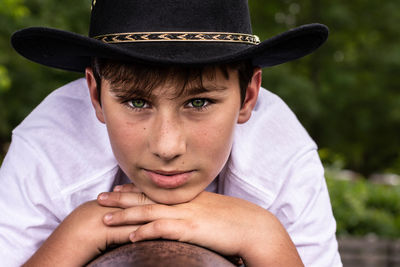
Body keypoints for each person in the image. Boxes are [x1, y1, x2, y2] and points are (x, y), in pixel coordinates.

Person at [0, 0, 342, 266]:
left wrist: (265, 237)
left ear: (248, 96)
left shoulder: (282, 155)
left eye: (199, 102)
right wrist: (76, 235)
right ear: (95, 95)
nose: (167, 147)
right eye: (136, 102)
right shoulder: (46, 149)